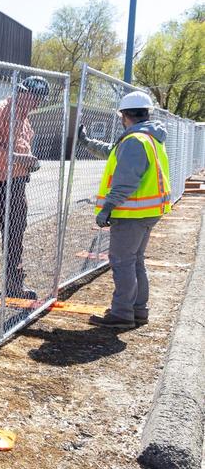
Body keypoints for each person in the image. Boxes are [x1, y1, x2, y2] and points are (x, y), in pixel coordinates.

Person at [76, 91, 171, 328]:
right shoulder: (149, 138)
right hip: (147, 212)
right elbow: (112, 151)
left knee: (122, 262)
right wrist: (87, 142)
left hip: (132, 213)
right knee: (135, 260)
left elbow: (126, 181)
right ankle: (137, 310)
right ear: (146, 113)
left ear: (124, 116)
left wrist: (107, 208)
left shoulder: (135, 141)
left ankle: (121, 314)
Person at [0, 76, 51, 303]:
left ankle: (13, 282)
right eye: (34, 99)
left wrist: (29, 163)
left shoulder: (25, 121)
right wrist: (19, 158)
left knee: (15, 230)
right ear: (22, 92)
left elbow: (22, 149)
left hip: (15, 183)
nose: (36, 105)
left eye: (39, 101)